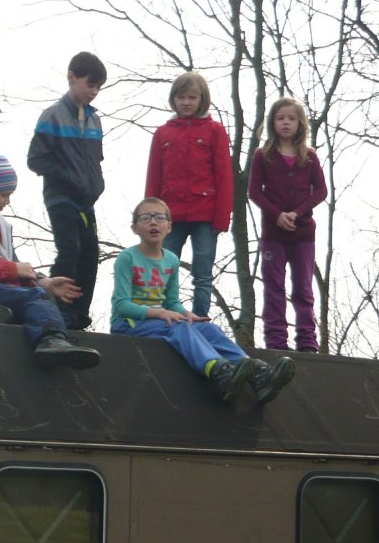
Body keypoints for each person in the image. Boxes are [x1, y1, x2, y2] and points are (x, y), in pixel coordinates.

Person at [111, 198, 294, 403]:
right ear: (135, 228)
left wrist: (186, 314)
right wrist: (161, 313)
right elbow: (121, 305)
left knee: (209, 329)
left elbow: (171, 303)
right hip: (129, 323)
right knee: (179, 327)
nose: (153, 222)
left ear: (169, 226)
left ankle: (256, 373)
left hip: (161, 321)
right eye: (145, 218)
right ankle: (218, 371)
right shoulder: (127, 258)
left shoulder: (171, 259)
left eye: (159, 217)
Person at [0, 155, 101, 369]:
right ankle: (51, 341)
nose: (7, 202)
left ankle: (1, 317)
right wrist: (15, 271)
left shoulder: (2, 225)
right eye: (4, 195)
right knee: (35, 298)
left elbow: (12, 264)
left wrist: (43, 281)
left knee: (56, 309)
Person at [27, 51, 106, 330]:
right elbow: (36, 159)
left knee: (90, 254)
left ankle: (80, 313)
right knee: (69, 249)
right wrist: (68, 176)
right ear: (72, 77)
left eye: (98, 87)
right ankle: (59, 309)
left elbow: (96, 159)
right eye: (90, 84)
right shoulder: (52, 116)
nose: (93, 92)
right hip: (60, 196)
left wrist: (97, 184)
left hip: (86, 199)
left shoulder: (95, 120)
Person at [145, 71, 233, 317]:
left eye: (192, 97)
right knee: (163, 269)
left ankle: (201, 320)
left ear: (202, 99)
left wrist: (222, 218)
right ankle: (163, 317)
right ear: (173, 99)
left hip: (205, 215)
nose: (186, 102)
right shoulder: (163, 133)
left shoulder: (214, 131)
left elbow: (224, 177)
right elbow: (154, 177)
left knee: (203, 273)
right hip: (170, 216)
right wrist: (150, 217)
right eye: (181, 97)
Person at [248, 97, 327, 352]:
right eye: (280, 118)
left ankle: (307, 341)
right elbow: (254, 192)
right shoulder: (263, 155)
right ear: (272, 122)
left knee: (303, 288)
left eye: (291, 118)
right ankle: (276, 341)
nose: (286, 123)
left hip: (303, 235)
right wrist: (277, 215)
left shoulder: (310, 157)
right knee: (274, 287)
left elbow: (321, 191)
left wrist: (297, 213)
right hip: (273, 234)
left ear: (300, 123)